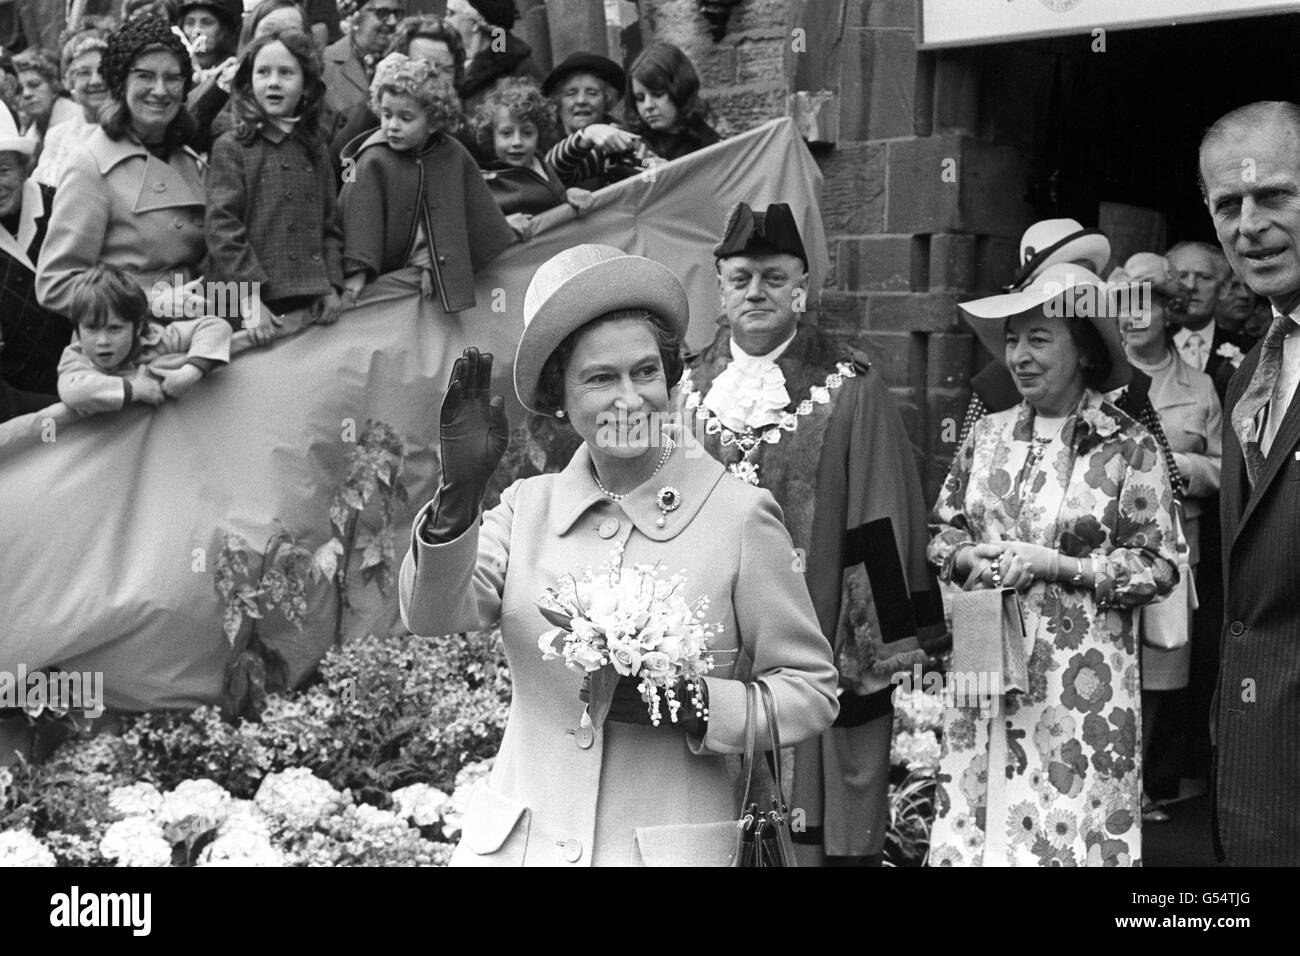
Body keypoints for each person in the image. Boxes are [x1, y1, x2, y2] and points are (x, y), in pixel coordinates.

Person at [398, 244, 839, 865]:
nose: (629, 399)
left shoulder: (739, 515)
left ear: (671, 378)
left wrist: (700, 706)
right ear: (560, 397)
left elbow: (810, 691)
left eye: (645, 372)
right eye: (600, 378)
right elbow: (432, 615)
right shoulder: (527, 509)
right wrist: (457, 495)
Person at [680, 202, 946, 866]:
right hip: (703, 637)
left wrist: (872, 652)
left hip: (815, 632)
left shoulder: (849, 386)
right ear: (720, 286)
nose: (757, 293)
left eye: (774, 278)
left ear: (802, 287)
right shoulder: (681, 388)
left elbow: (883, 517)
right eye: (741, 278)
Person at [928, 263, 1179, 867]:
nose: (1019, 355)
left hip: (1080, 676)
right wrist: (967, 555)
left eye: (1039, 339)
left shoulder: (1127, 445)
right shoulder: (986, 435)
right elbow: (941, 531)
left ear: (1085, 352)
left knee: (1064, 824)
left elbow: (1159, 566)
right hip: (984, 652)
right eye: (1013, 339)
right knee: (977, 817)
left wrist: (1057, 565)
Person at [1200, 100, 1300, 866]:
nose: (1249, 224)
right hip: (1255, 778)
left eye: (1275, 195)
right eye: (1228, 204)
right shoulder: (1245, 387)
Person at [1110, 252, 1222, 822]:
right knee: (1109, 661)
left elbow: (1226, 470)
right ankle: (1109, 779)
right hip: (1111, 543)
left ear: (1167, 312)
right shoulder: (1099, 373)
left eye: (1143, 305)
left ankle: (1145, 783)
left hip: (1179, 544)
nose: (1131, 317)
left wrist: (1172, 466)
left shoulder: (1200, 385)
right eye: (1122, 305)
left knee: (1159, 668)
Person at [36, 16, 210, 325]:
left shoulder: (190, 160)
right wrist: (150, 302)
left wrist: (248, 304)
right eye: (145, 76)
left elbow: (206, 287)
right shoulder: (90, 165)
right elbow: (55, 284)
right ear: (120, 83)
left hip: (196, 337)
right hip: (127, 348)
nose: (160, 90)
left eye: (173, 78)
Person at [338, 53, 513, 313]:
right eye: (386, 115)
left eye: (405, 118)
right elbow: (359, 221)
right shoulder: (374, 159)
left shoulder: (451, 154)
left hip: (431, 280)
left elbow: (462, 215)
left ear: (433, 122)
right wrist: (357, 271)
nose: (392, 126)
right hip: (385, 288)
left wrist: (435, 263)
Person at [204, 31, 344, 331]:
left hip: (303, 293)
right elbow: (222, 227)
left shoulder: (316, 148)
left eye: (286, 72)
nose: (274, 82)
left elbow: (330, 225)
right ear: (248, 82)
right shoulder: (232, 146)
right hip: (237, 296)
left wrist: (329, 283)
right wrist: (248, 296)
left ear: (306, 86)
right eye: (263, 72)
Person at [56, 262, 242, 416]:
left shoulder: (155, 339)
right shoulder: (76, 359)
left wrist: (188, 373)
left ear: (137, 328)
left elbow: (215, 326)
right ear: (77, 330)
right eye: (91, 328)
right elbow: (74, 392)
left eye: (114, 328)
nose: (102, 340)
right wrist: (135, 389)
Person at [328, 15, 469, 168]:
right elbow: (338, 167)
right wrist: (374, 97)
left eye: (446, 69)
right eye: (424, 66)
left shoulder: (461, 133)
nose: (434, 76)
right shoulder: (378, 121)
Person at [0, 102, 68, 397]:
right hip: (18, 406)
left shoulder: (63, 205)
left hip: (86, 382)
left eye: (2, 170)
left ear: (26, 167)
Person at [471, 77, 591, 239]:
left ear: (539, 134)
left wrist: (570, 195)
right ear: (491, 136)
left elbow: (555, 201)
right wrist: (502, 224)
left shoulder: (541, 162)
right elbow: (471, 226)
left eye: (527, 133)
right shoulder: (487, 181)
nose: (517, 142)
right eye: (506, 133)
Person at [1166, 240, 1253, 401]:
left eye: (1204, 278)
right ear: (1166, 284)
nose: (1191, 286)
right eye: (1182, 276)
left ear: (1224, 288)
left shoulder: (1251, 351)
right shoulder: (1146, 346)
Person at [542, 52, 640, 191]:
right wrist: (586, 135)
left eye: (592, 93)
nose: (581, 100)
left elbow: (650, 176)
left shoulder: (621, 137)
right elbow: (549, 174)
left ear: (606, 101)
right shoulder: (541, 140)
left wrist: (655, 168)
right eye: (571, 93)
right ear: (558, 102)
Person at [32, 28, 110, 189]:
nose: (95, 80)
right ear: (69, 81)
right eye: (84, 73)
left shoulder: (131, 130)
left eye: (103, 71)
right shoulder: (58, 136)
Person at [624, 41, 719, 163]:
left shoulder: (707, 141)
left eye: (657, 94)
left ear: (680, 90)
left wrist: (670, 173)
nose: (648, 106)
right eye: (640, 98)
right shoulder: (629, 141)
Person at [445, 0, 542, 113]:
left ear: (475, 23)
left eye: (451, 13)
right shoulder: (453, 63)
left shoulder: (515, 67)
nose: (445, 20)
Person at [322, 0, 404, 124]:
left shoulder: (405, 63)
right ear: (356, 15)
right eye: (383, 13)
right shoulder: (325, 64)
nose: (392, 22)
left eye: (396, 13)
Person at [12, 49, 81, 161]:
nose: (26, 94)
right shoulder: (30, 133)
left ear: (54, 86)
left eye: (34, 85)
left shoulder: (76, 121)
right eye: (20, 89)